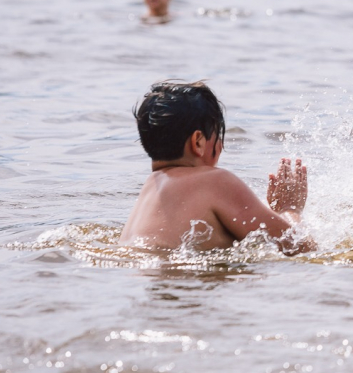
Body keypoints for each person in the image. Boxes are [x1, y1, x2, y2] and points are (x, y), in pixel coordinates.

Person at [118, 81, 314, 254]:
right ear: (198, 142)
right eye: (218, 137)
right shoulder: (215, 181)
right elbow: (300, 247)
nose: (220, 147)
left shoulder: (150, 188)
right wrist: (290, 209)